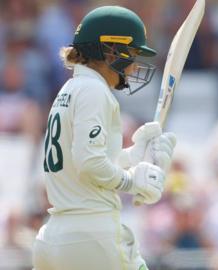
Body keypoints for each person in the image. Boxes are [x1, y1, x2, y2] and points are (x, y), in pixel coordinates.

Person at [32, 6, 176, 270]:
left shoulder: (70, 88)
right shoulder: (93, 91)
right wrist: (134, 182)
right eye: (131, 54)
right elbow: (90, 164)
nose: (134, 66)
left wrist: (131, 156)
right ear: (111, 50)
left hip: (54, 236)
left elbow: (82, 161)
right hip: (92, 236)